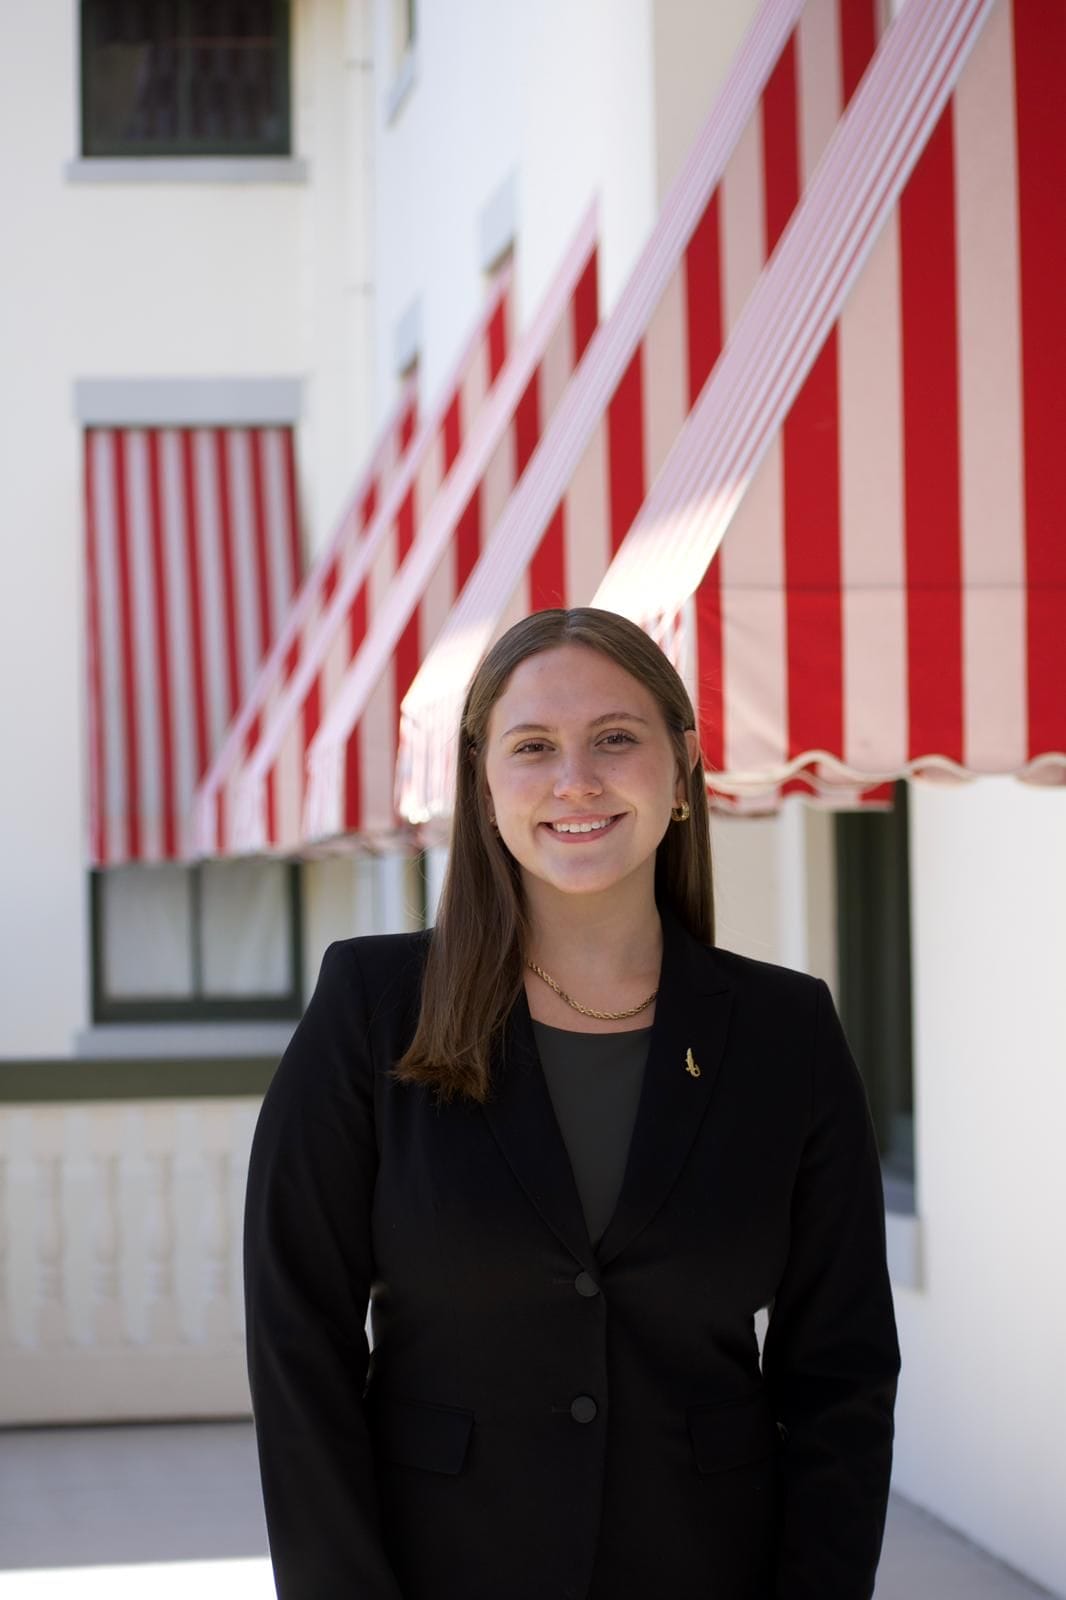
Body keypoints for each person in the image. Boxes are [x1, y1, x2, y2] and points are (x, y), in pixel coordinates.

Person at [243, 606, 901, 1600]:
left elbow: (841, 1372)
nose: (576, 780)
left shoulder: (788, 1033)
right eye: (533, 746)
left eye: (615, 738)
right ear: (483, 784)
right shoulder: (370, 1009)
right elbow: (296, 1341)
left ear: (680, 768)